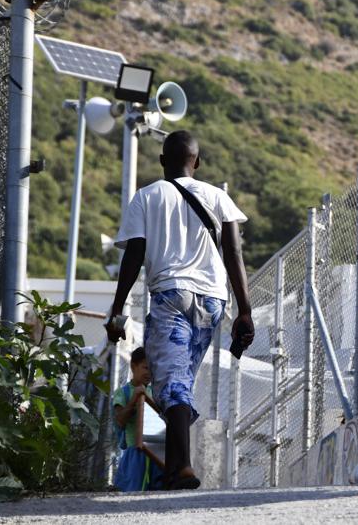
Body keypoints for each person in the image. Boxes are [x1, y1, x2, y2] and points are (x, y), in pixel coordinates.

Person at [106, 130, 255, 490]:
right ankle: (173, 469)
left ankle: (184, 467)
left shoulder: (146, 197)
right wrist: (245, 311)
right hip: (212, 300)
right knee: (179, 383)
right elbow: (234, 254)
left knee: (171, 384)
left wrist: (117, 308)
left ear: (161, 160)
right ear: (197, 162)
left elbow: (134, 255)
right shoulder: (219, 197)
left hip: (171, 296)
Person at [112, 347, 164, 491]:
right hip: (135, 452)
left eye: (152, 369)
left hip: (156, 452)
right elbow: (120, 420)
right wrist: (135, 398)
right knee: (132, 489)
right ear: (133, 367)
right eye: (146, 368)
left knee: (157, 491)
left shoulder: (156, 392)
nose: (149, 373)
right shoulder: (122, 393)